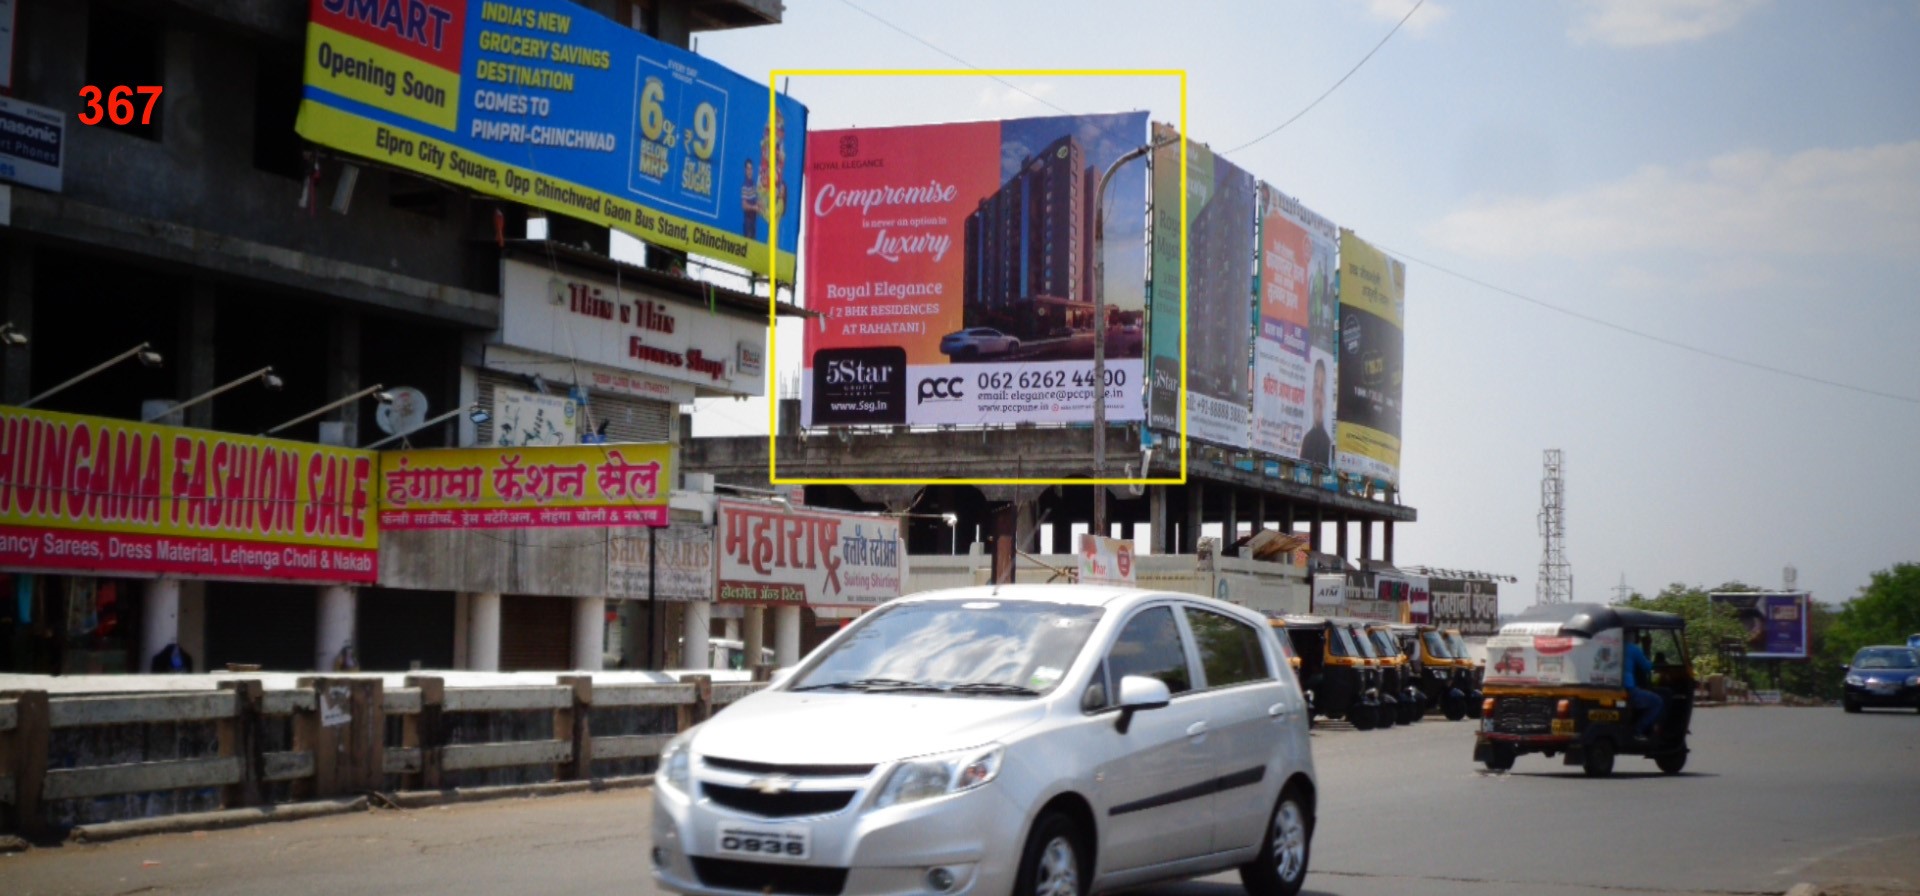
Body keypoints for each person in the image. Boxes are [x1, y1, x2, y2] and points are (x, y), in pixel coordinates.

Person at [1625, 632, 1663, 741]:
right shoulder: (1633, 649)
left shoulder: (1614, 646)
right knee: (1657, 701)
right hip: (1629, 689)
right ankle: (1638, 730)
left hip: (1617, 687)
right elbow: (1647, 666)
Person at [1299, 358, 1334, 467]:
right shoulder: (1306, 440)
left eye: (1323, 387)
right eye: (1316, 385)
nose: (1319, 394)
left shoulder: (1329, 444)